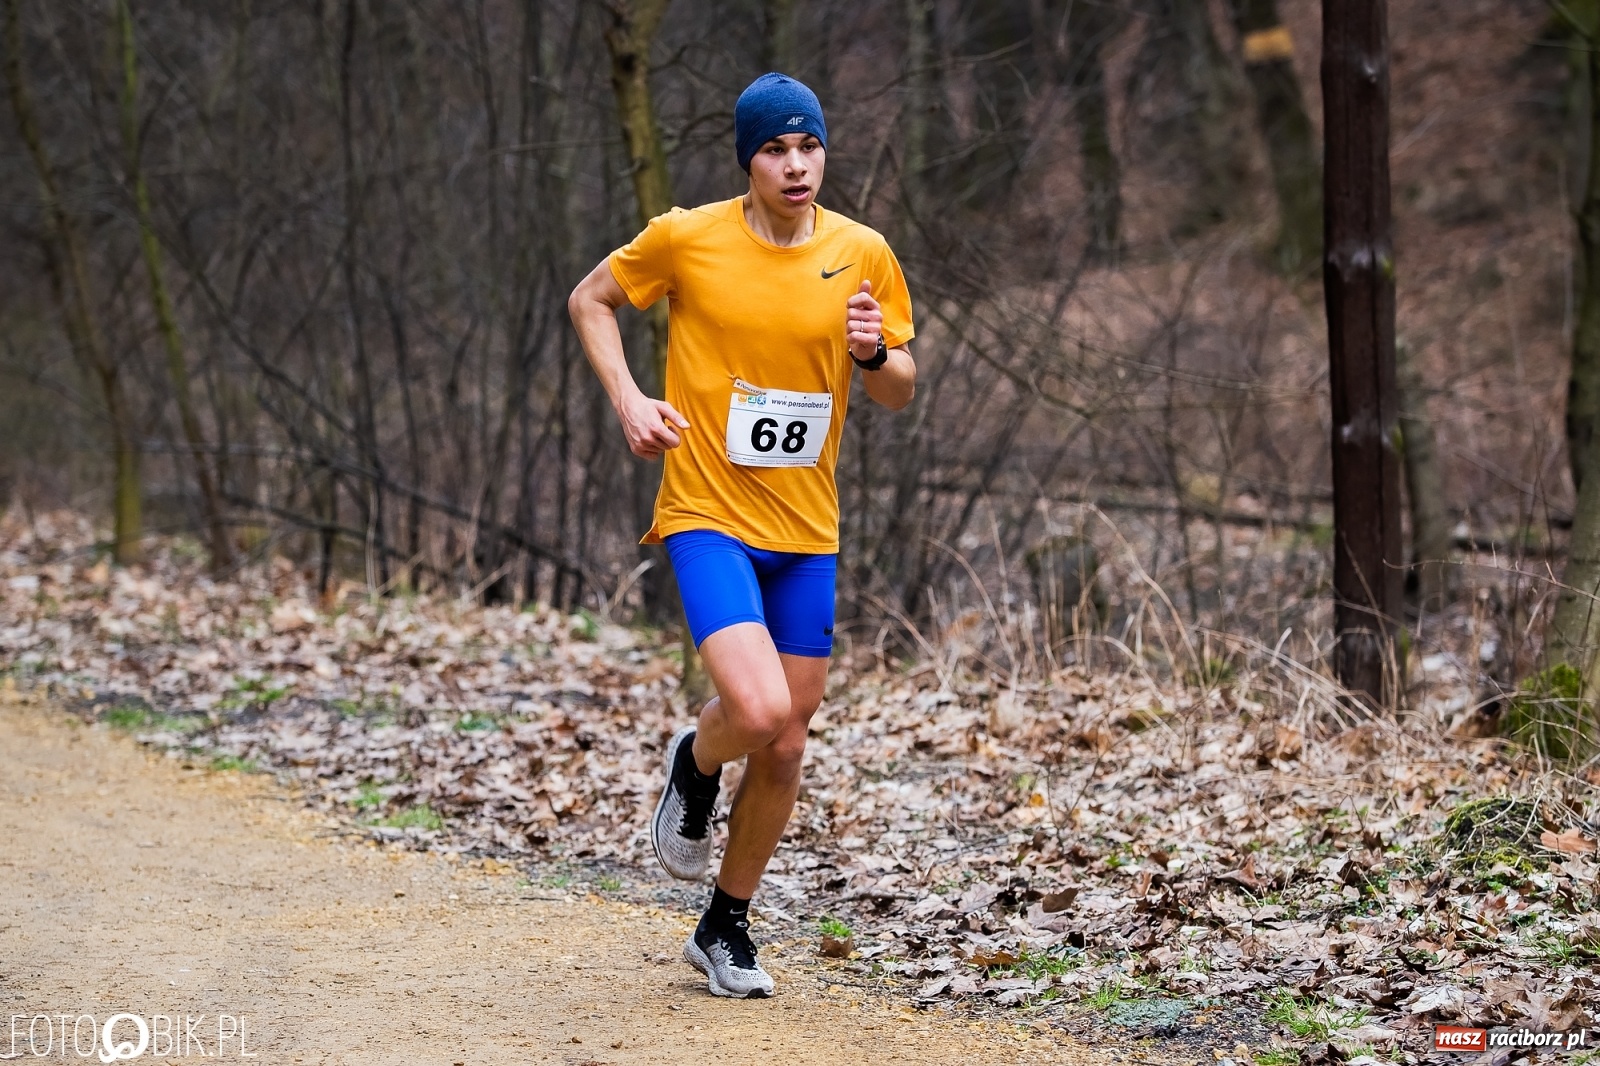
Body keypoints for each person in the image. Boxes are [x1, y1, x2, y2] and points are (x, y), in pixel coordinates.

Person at [567, 72, 916, 999]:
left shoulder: (863, 252)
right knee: (757, 713)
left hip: (807, 528)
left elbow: (899, 388)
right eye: (775, 149)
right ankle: (694, 763)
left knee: (789, 742)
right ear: (747, 161)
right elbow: (590, 300)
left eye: (810, 147)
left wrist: (876, 352)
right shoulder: (688, 238)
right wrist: (629, 399)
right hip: (708, 514)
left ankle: (725, 925)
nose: (796, 165)